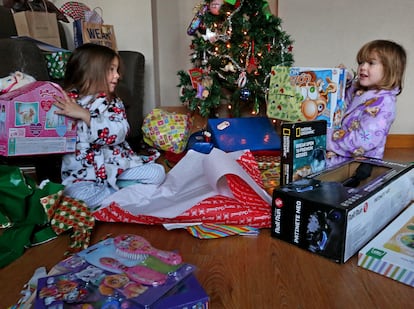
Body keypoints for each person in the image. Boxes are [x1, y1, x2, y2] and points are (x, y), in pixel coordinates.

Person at [53, 43, 166, 209]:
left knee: (157, 173)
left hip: (117, 166)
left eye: (117, 70)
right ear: (91, 72)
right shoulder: (67, 102)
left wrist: (86, 116)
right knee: (75, 197)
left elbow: (121, 131)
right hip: (84, 175)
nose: (117, 76)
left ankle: (118, 189)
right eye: (111, 70)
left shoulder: (113, 103)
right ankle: (119, 193)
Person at [326, 39, 407, 167]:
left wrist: (328, 139)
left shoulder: (384, 103)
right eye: (361, 62)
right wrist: (342, 79)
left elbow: (362, 142)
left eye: (371, 63)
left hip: (357, 166)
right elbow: (342, 104)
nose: (363, 67)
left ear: (389, 70)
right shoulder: (361, 90)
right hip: (339, 155)